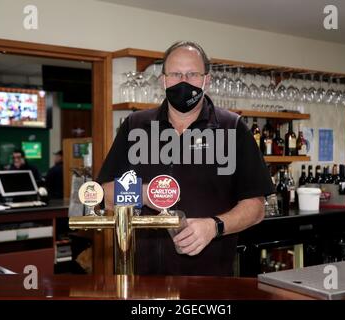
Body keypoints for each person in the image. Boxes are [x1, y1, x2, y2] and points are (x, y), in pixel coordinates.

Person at [97, 41, 274, 276]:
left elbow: (256, 207)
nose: (183, 82)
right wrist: (143, 193)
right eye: (176, 74)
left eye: (192, 74)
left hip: (209, 280)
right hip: (141, 276)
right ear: (163, 80)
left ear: (206, 80)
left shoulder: (233, 128)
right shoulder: (135, 126)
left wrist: (214, 226)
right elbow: (104, 194)